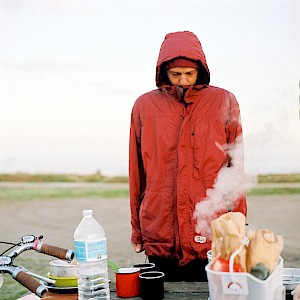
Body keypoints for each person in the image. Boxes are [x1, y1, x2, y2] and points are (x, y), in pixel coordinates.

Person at [129, 31, 247, 282]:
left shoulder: (223, 100)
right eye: (175, 74)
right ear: (163, 72)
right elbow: (136, 171)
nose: (183, 80)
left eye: (189, 73)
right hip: (160, 224)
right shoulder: (144, 105)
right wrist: (137, 231)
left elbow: (235, 166)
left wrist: (238, 224)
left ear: (201, 70)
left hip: (210, 224)